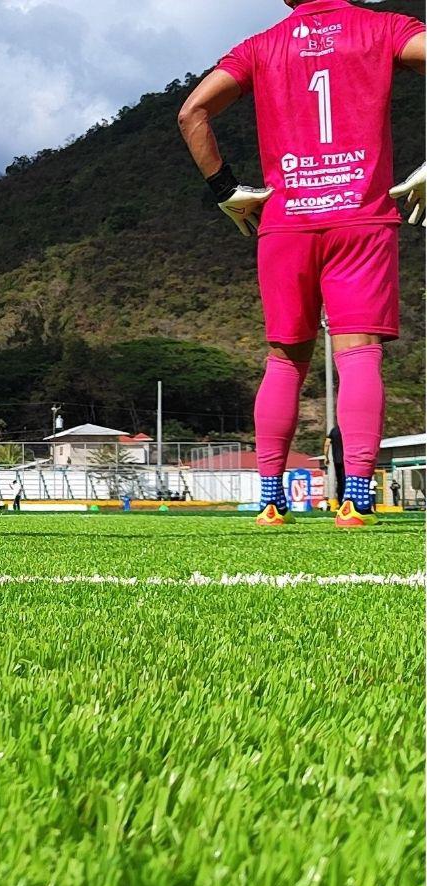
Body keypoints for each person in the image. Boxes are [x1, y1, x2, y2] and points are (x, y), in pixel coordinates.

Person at [179, 1, 424, 528]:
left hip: (286, 224)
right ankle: (356, 501)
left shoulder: (259, 46)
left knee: (285, 361)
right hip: (361, 219)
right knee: (359, 357)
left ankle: (272, 501)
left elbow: (191, 112)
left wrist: (227, 190)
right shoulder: (383, 28)